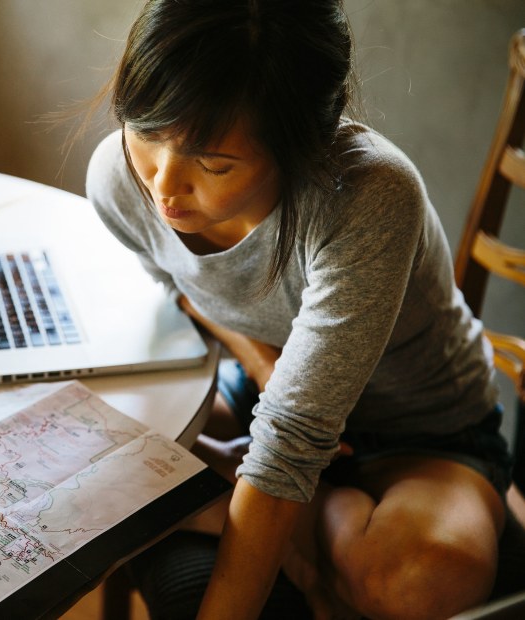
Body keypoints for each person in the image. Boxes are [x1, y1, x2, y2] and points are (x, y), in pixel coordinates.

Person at [84, 1, 514, 618]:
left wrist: (278, 481)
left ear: (297, 149)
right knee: (74, 461)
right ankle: (297, 513)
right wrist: (261, 364)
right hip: (264, 400)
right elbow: (182, 289)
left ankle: (302, 507)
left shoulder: (367, 198)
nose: (163, 186)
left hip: (422, 433)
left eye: (213, 164)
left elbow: (291, 439)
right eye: (148, 131)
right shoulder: (118, 179)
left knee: (414, 582)